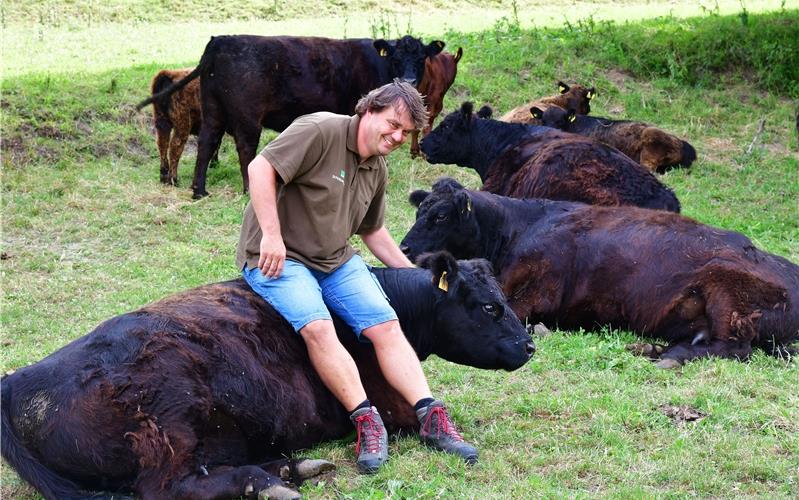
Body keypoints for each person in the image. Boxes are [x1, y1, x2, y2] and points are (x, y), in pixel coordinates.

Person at [235, 80, 477, 474]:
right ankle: (366, 420)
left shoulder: (376, 167)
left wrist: (412, 274)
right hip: (281, 259)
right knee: (318, 327)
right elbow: (260, 168)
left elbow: (372, 231)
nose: (398, 137)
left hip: (334, 260)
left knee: (386, 326)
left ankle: (432, 417)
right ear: (369, 109)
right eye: (393, 124)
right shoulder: (320, 130)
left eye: (406, 133)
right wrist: (272, 237)